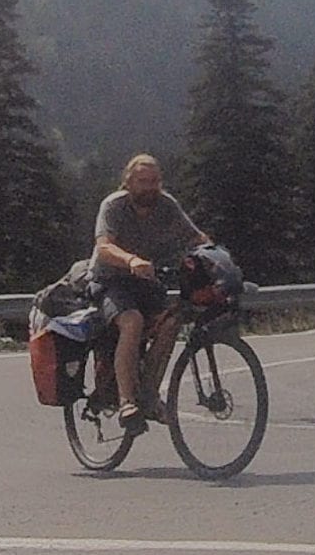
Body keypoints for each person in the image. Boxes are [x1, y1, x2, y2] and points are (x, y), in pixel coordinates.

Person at [90, 153, 209, 432]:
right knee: (132, 322)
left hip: (146, 281)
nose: (149, 187)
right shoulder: (114, 206)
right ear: (128, 182)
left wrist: (215, 258)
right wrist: (131, 260)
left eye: (154, 181)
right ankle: (127, 401)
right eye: (143, 181)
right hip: (110, 280)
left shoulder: (167, 205)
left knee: (170, 323)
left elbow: (196, 237)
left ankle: (149, 395)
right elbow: (104, 247)